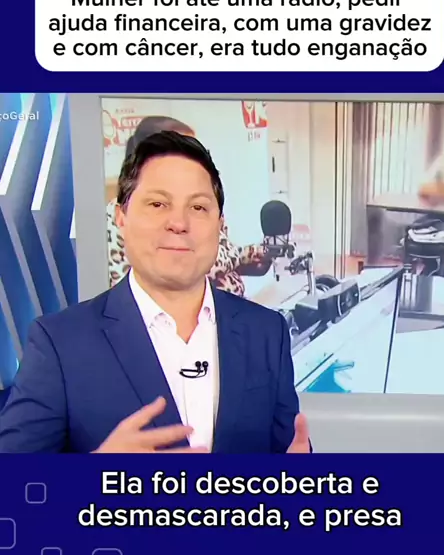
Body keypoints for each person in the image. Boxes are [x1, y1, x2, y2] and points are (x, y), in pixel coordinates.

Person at [0, 131, 311, 454]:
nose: (178, 223)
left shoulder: (266, 331)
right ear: (121, 217)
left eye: (198, 207)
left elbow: (290, 454)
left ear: (220, 224)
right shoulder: (59, 343)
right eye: (158, 204)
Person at [107, 116, 271, 295]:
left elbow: (221, 255)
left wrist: (252, 257)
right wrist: (244, 255)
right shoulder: (122, 214)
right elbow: (208, 263)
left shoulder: (206, 200)